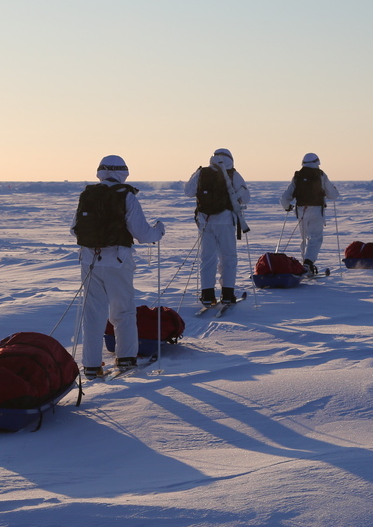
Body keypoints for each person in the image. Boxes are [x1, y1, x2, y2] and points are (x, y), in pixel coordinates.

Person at [72, 155, 165, 379]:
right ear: (123, 172)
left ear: (100, 172)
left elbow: (75, 229)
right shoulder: (126, 195)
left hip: (89, 261)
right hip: (118, 261)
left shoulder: (88, 195)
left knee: (93, 313)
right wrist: (159, 231)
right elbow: (142, 234)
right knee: (123, 310)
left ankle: (91, 365)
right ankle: (125, 359)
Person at [184, 148, 250, 306]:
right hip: (225, 221)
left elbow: (188, 192)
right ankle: (228, 294)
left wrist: (195, 174)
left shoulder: (202, 173)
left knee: (207, 258)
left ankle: (207, 295)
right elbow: (246, 199)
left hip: (205, 221)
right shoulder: (233, 174)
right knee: (228, 257)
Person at [279, 153, 339, 275]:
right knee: (315, 238)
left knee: (304, 239)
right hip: (316, 210)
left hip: (301, 210)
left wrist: (287, 207)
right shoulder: (321, 175)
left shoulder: (298, 176)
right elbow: (333, 195)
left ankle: (305, 266)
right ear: (317, 162)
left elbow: (285, 197)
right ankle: (308, 264)